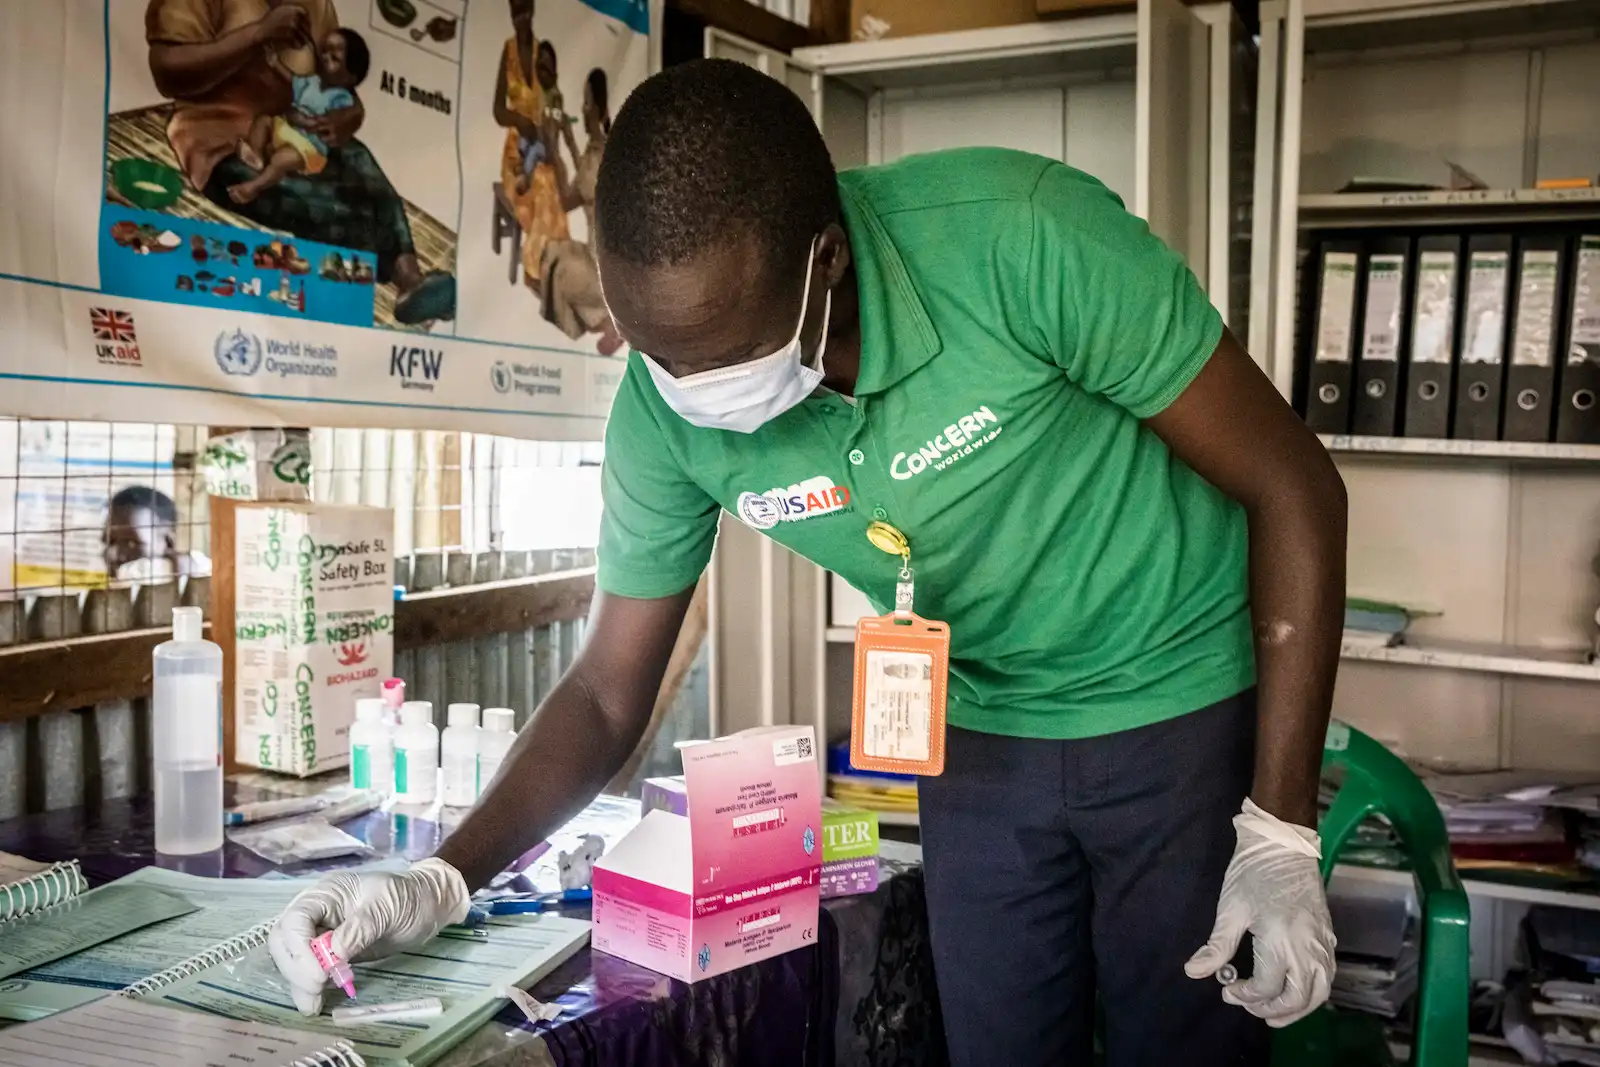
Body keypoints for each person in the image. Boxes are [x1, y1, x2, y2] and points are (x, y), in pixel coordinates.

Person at [268, 60, 1346, 1067]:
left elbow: (1293, 485)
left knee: (1185, 1039)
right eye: (658, 354)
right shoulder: (664, 408)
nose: (692, 392)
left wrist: (1279, 829)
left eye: (720, 352)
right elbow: (605, 691)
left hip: (1175, 706)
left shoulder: (1022, 238)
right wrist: (440, 874)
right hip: (980, 731)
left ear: (824, 258)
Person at [143, 0, 454, 323]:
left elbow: (337, 77)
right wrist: (258, 35)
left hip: (300, 134)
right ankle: (362, 294)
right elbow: (167, 72)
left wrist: (350, 114)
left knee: (363, 166)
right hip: (224, 145)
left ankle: (412, 282)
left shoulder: (315, 5)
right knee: (328, 209)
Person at [229, 28, 372, 205]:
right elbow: (292, 79)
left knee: (280, 160)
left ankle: (253, 187)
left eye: (334, 59)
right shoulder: (313, 81)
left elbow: (326, 125)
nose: (325, 58)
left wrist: (304, 121)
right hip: (288, 128)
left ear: (350, 78)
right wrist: (275, 63)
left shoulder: (341, 98)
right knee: (263, 121)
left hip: (309, 147)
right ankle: (255, 156)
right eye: (325, 52)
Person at [540, 68, 622, 353]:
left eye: (587, 103)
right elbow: (568, 199)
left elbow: (590, 184)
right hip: (592, 255)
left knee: (561, 267)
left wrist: (567, 141)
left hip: (609, 267)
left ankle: (611, 322)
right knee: (551, 252)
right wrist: (557, 146)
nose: (583, 109)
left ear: (599, 110)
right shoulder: (592, 152)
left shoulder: (610, 154)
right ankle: (604, 325)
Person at [493, 0, 569, 289]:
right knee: (537, 183)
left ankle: (550, 264)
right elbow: (498, 111)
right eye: (515, 14)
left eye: (525, 12)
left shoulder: (543, 53)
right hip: (516, 150)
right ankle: (539, 268)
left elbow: (553, 100)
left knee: (548, 180)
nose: (521, 20)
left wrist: (545, 134)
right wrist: (521, 121)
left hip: (542, 144)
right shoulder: (508, 51)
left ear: (533, 10)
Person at [103, 486, 210, 582]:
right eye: (109, 541)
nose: (113, 554)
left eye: (132, 543)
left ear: (168, 542)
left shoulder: (204, 574)